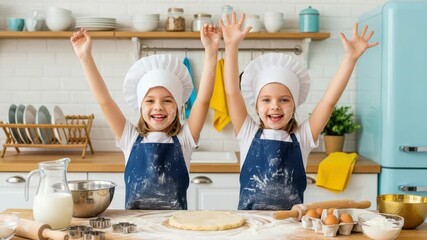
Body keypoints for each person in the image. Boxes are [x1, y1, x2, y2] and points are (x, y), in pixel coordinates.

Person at [220, 12, 378, 210]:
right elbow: (232, 92)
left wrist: (350, 59)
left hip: (291, 227)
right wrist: (231, 46)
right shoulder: (247, 133)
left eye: (284, 99)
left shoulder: (302, 138)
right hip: (252, 228)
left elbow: (328, 101)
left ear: (295, 104)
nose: (275, 106)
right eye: (266, 99)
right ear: (256, 105)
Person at [70, 24, 221, 210]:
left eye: (167, 100)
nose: (158, 107)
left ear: (178, 106)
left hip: (174, 229)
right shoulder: (129, 138)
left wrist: (211, 51)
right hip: (135, 230)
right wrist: (85, 57)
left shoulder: (185, 140)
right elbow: (105, 102)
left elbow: (203, 100)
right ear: (140, 106)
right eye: (150, 101)